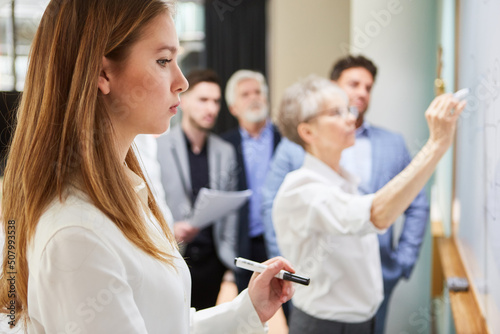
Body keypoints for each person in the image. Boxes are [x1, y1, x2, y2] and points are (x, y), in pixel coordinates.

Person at [0, 1, 294, 333]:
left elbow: (165, 324)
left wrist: (248, 309)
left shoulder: (129, 190)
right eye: (163, 61)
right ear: (102, 73)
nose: (181, 81)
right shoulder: (77, 235)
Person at [272, 75, 465, 334]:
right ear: (307, 132)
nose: (352, 118)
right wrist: (436, 145)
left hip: (364, 320)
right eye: (336, 113)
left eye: (347, 110)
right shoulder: (302, 190)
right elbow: (378, 215)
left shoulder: (344, 180)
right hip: (326, 326)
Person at [156, 69, 238, 310]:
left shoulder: (225, 151)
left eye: (216, 101)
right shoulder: (158, 146)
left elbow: (230, 211)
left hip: (214, 261)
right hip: (174, 256)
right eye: (203, 100)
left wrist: (229, 267)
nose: (211, 108)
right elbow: (149, 200)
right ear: (183, 100)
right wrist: (169, 230)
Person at [221, 70, 281, 293]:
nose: (254, 97)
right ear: (233, 108)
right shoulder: (223, 145)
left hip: (280, 238)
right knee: (248, 315)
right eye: (245, 94)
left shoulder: (285, 139)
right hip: (243, 242)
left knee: (292, 310)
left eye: (258, 92)